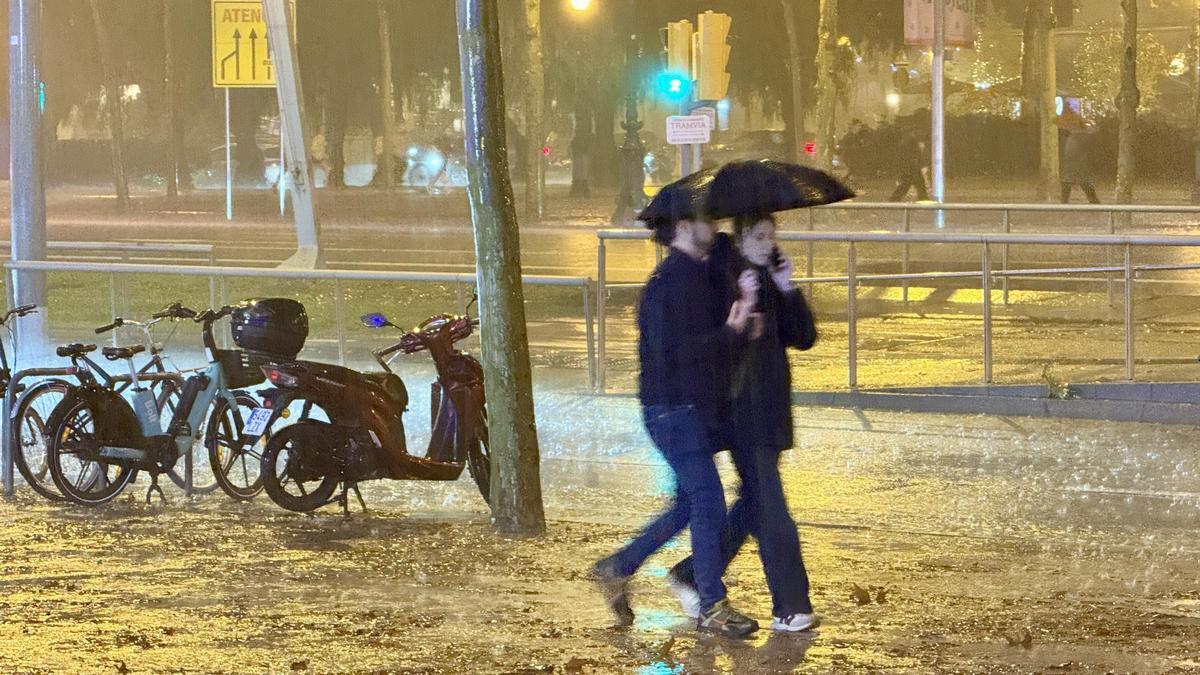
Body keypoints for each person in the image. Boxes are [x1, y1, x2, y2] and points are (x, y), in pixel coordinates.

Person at [590, 182, 761, 639]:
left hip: (686, 408)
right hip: (672, 409)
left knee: (690, 501)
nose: (717, 226)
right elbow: (679, 353)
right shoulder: (670, 283)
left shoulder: (694, 274)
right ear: (685, 227)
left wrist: (743, 317)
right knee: (707, 500)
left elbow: (712, 342)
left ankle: (618, 565)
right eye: (709, 220)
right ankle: (711, 604)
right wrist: (732, 328)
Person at [666, 212, 820, 633]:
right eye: (760, 236)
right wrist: (743, 303)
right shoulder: (724, 274)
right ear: (741, 236)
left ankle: (693, 572)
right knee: (773, 511)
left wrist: (787, 288)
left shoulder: (768, 273)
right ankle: (790, 606)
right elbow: (715, 341)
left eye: (772, 236)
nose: (768, 243)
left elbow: (803, 337)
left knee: (755, 502)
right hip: (740, 412)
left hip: (770, 409)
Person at [1059, 112, 1100, 204]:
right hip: (1079, 163)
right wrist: (1090, 122)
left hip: (1071, 162)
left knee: (1068, 182)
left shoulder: (1070, 134)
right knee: (1084, 183)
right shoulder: (1082, 134)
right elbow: (1095, 130)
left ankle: (1063, 203)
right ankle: (1094, 202)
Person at [889, 121, 930, 202]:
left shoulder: (905, 140)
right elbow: (914, 152)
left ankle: (895, 198)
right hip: (912, 165)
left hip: (909, 165)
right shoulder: (910, 140)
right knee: (916, 182)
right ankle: (923, 197)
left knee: (909, 183)